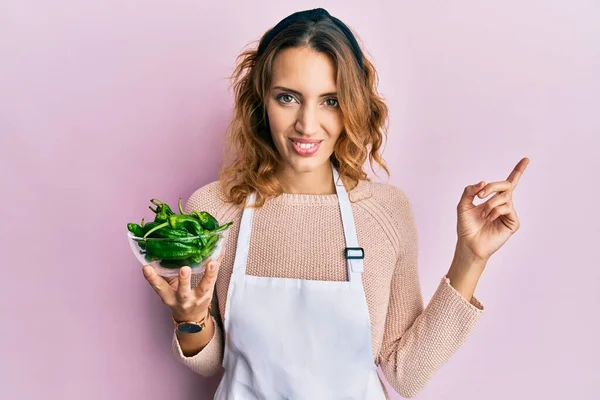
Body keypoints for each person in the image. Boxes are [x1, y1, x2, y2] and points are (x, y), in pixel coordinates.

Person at [141, 8, 530, 399]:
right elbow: (210, 362)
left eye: (330, 100)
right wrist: (189, 318)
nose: (307, 125)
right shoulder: (216, 209)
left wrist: (471, 257)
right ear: (262, 100)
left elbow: (404, 375)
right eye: (288, 98)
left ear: (353, 106)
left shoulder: (384, 213)